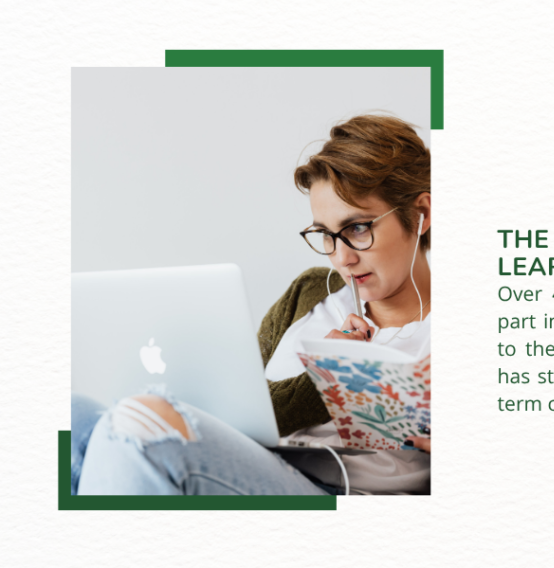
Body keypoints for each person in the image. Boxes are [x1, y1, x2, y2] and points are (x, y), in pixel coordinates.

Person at [72, 115, 432, 495]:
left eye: (357, 228)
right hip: (258, 466)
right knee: (74, 414)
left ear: (422, 213)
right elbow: (244, 414)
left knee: (141, 424)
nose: (341, 258)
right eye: (325, 235)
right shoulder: (309, 293)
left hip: (341, 496)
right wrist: (323, 376)